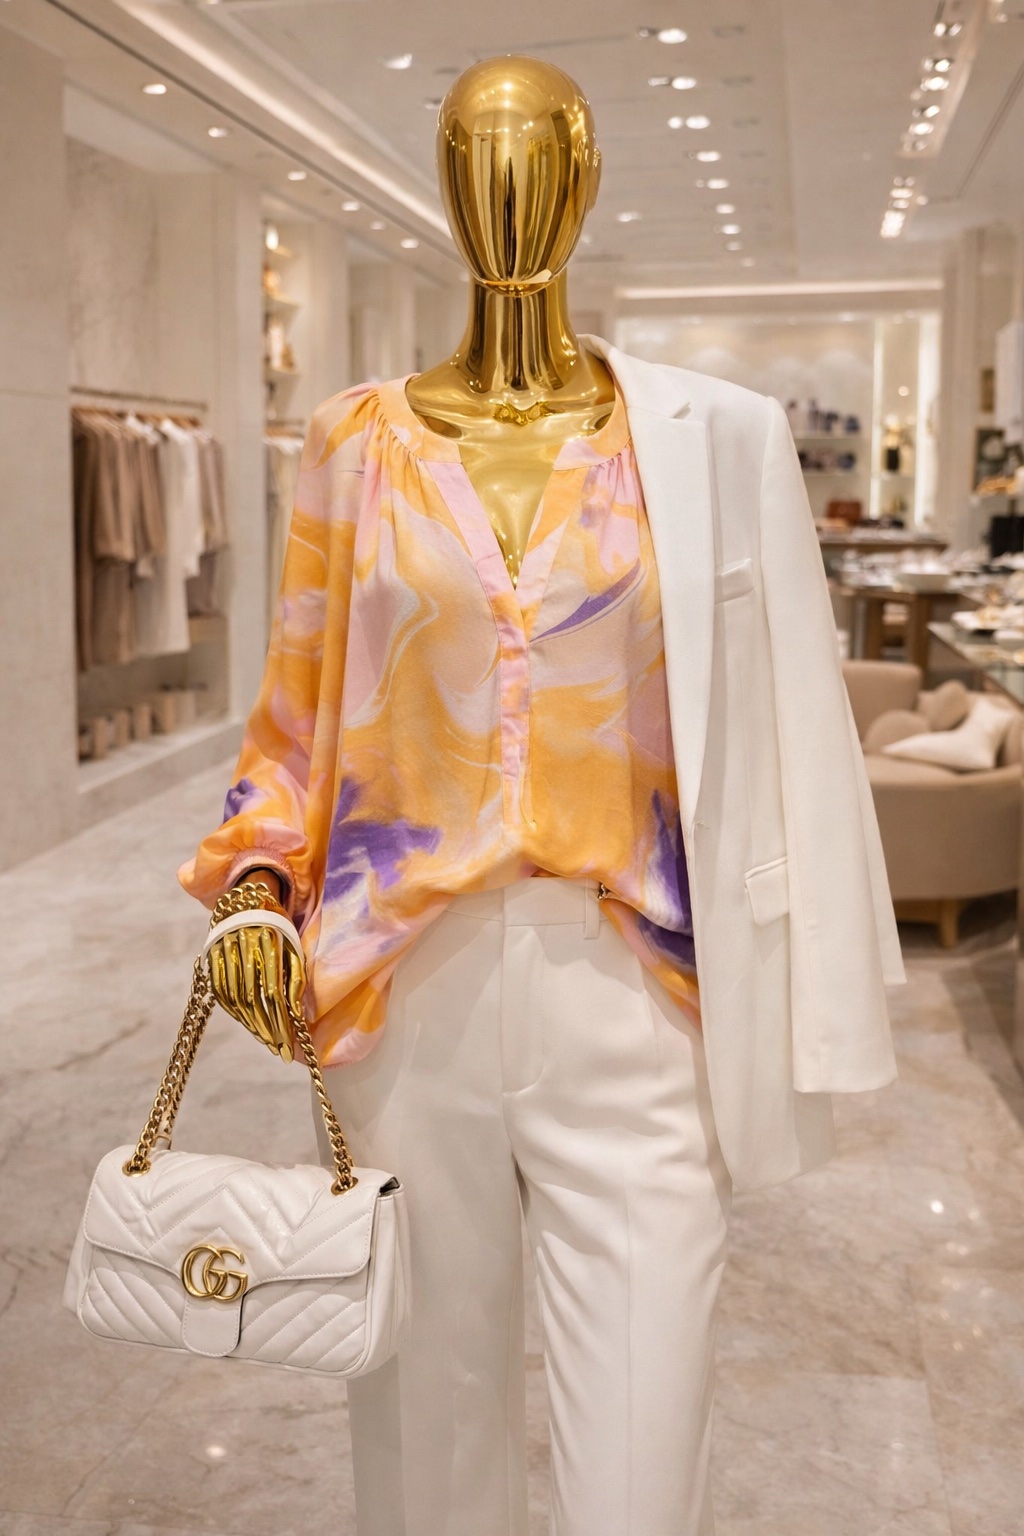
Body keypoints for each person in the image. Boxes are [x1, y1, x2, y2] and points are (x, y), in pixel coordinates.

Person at [180, 55, 901, 1536]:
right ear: (441, 184)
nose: (506, 189)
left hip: (635, 989)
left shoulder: (713, 434)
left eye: (539, 154)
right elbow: (298, 710)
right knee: (423, 1437)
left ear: (587, 182)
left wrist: (828, 994)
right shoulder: (353, 438)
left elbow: (798, 719)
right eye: (472, 154)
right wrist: (254, 887)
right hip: (407, 990)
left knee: (642, 1449)